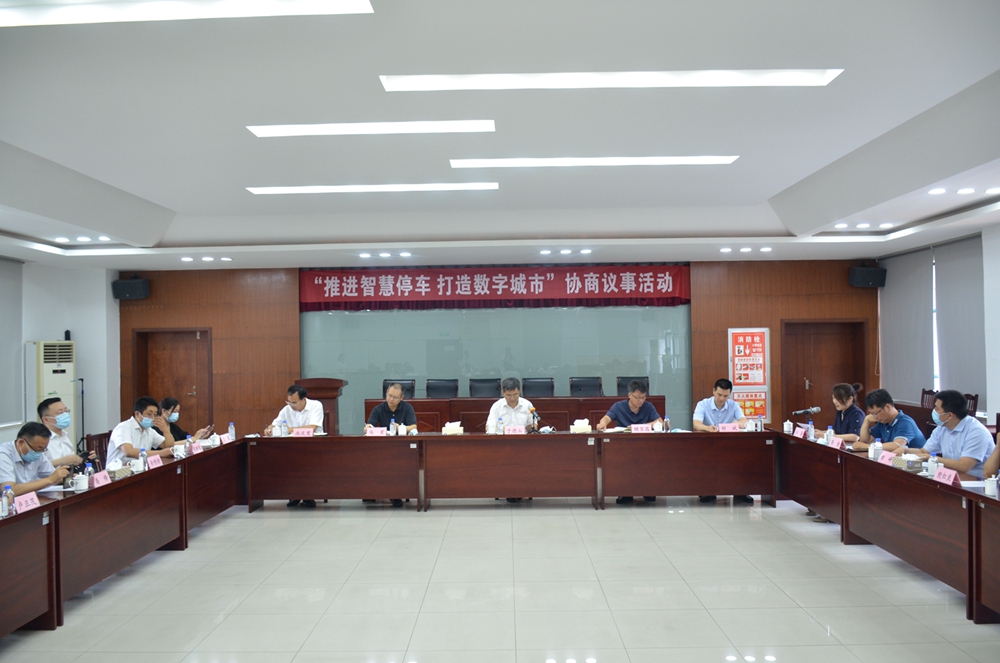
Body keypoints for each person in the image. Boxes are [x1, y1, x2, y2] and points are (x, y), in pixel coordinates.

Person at [597, 380, 667, 505]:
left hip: (645, 446)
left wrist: (643, 426)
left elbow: (660, 422)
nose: (640, 401)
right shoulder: (619, 406)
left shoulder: (648, 406)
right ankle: (625, 492)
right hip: (624, 446)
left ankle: (648, 490)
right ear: (629, 395)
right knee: (622, 461)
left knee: (650, 460)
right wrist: (602, 423)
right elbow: (607, 418)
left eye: (643, 397)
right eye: (637, 397)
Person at [806, 383, 865, 522]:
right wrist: (823, 433)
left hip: (851, 453)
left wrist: (830, 435)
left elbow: (854, 436)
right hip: (837, 449)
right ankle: (820, 505)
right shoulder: (841, 412)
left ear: (850, 399)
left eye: (838, 399)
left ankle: (830, 511)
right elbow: (837, 432)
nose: (835, 402)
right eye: (833, 398)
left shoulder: (857, 413)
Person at [693, 379, 752, 505]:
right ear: (713, 391)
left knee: (741, 457)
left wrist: (732, 425)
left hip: (729, 443)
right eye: (719, 395)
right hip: (708, 442)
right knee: (707, 460)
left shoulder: (733, 405)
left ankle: (740, 491)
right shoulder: (703, 404)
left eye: (725, 396)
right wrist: (707, 428)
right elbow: (696, 423)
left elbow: (743, 421)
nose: (722, 399)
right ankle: (708, 491)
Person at [909, 390, 994, 478]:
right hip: (951, 477)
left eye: (937, 409)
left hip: (976, 481)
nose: (934, 411)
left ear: (949, 415)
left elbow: (964, 466)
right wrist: (905, 451)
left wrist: (933, 458)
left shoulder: (976, 432)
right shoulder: (942, 427)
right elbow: (924, 451)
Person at [265, 386, 323, 508]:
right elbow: (274, 424)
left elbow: (312, 427)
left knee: (307, 463)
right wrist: (269, 429)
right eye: (288, 401)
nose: (291, 405)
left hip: (313, 446)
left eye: (294, 403)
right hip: (292, 447)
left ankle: (309, 496)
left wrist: (288, 429)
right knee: (287, 461)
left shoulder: (316, 406)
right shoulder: (286, 409)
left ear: (303, 399)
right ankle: (294, 494)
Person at [487, 378, 536, 503]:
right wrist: (505, 430)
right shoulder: (497, 406)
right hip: (502, 445)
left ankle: (522, 489)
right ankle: (506, 490)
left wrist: (531, 427)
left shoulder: (527, 405)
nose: (512, 398)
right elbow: (489, 427)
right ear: (503, 393)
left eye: (515, 394)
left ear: (519, 392)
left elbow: (533, 425)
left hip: (524, 444)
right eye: (509, 395)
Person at [0, 422, 71, 496]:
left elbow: (54, 477)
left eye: (43, 449)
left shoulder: (38, 453)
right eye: (38, 449)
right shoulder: (3, 455)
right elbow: (10, 490)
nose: (40, 453)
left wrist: (69, 477)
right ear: (21, 442)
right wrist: (50, 480)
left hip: (31, 500)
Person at [107, 396, 178, 467]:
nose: (153, 418)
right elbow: (128, 451)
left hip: (139, 468)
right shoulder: (123, 427)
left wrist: (166, 430)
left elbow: (168, 445)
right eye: (149, 414)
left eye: (155, 415)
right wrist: (160, 453)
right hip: (118, 471)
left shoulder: (149, 430)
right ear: (137, 414)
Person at [856, 388, 926, 452]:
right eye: (871, 413)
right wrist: (866, 420)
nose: (875, 417)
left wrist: (868, 447)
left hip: (916, 460)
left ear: (888, 407)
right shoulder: (883, 422)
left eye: (876, 413)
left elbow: (897, 445)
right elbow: (865, 441)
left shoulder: (906, 422)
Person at [37, 397, 95, 467]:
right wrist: (62, 461)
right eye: (60, 412)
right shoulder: (39, 439)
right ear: (46, 419)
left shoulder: (64, 436)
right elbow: (37, 467)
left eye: (66, 411)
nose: (65, 415)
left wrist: (84, 459)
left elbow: (72, 463)